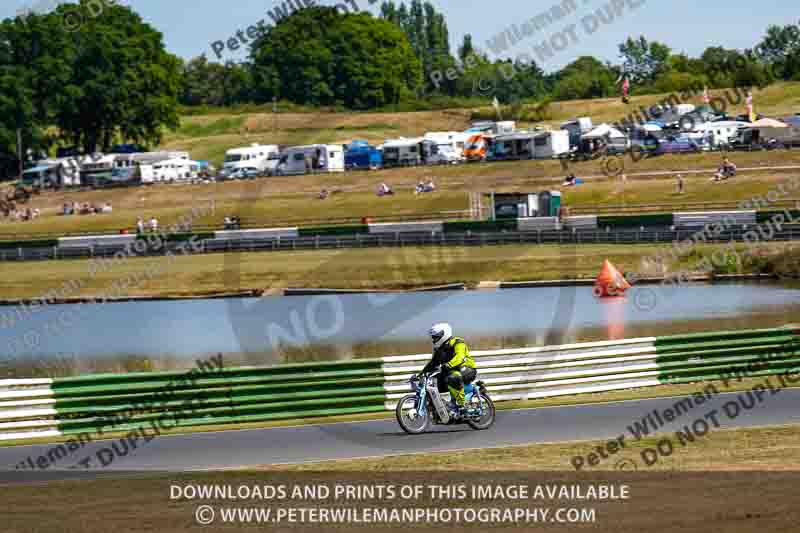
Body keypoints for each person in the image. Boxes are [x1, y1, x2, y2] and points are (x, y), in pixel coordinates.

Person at [419, 323, 478, 418]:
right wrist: (421, 374)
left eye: (436, 337)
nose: (434, 339)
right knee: (432, 383)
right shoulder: (439, 349)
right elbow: (433, 363)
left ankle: (462, 405)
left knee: (453, 377)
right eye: (433, 337)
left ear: (444, 334)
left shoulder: (458, 342)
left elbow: (460, 357)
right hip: (450, 371)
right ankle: (443, 408)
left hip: (467, 369)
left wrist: (448, 365)